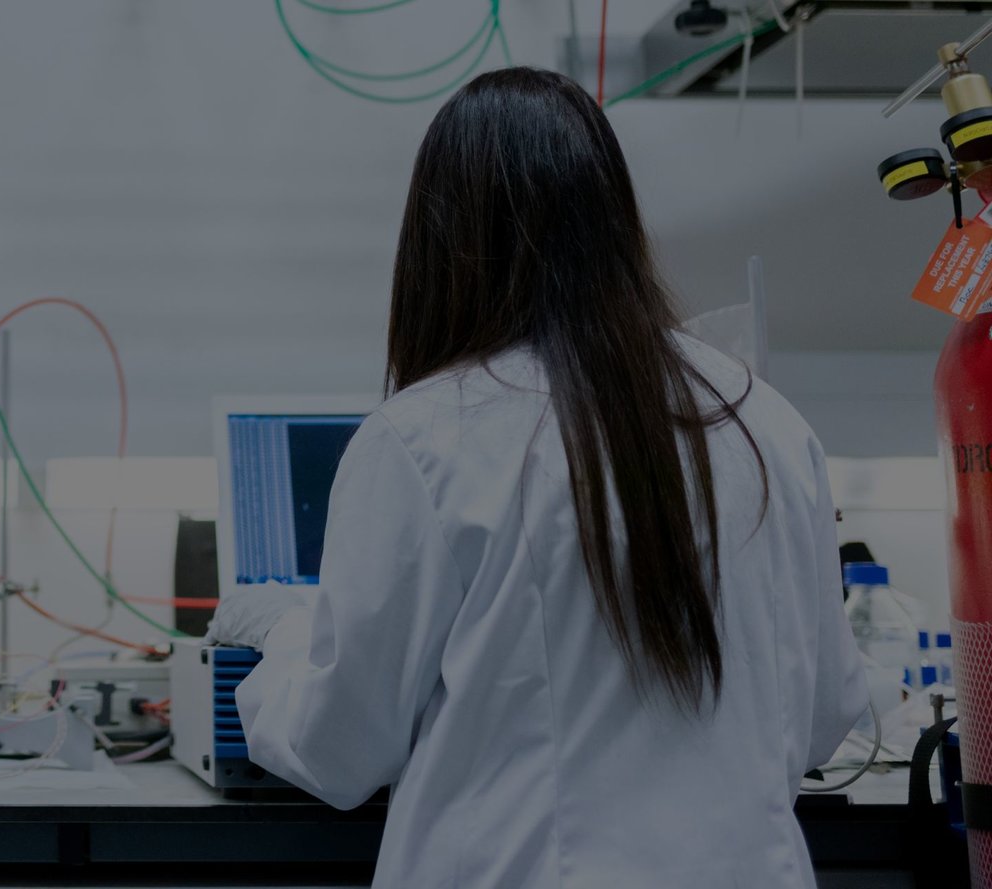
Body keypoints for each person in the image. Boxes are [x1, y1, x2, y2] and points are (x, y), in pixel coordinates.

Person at [207, 68, 866, 889]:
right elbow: (822, 720)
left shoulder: (427, 438)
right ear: (616, 220)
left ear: (443, 243)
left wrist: (281, 637)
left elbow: (341, 748)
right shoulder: (760, 419)